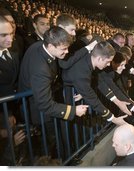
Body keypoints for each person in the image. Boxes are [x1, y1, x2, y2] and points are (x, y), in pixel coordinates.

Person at [18, 27, 88, 157]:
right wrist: (74, 111)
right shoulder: (41, 70)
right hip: (36, 112)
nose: (67, 52)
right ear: (50, 45)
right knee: (49, 145)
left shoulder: (39, 46)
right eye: (63, 49)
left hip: (36, 101)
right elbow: (44, 104)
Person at [62, 41, 131, 125]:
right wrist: (113, 119)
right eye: (108, 61)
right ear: (99, 58)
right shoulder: (82, 74)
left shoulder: (90, 59)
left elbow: (101, 84)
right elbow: (93, 100)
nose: (109, 65)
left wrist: (118, 102)